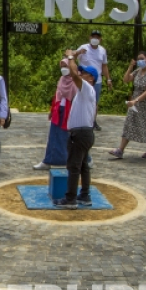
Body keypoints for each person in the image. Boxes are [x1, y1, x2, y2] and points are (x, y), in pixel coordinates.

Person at [52, 51, 98, 209]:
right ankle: (84, 195)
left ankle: (70, 199)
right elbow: (73, 73)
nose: (80, 73)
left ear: (91, 78)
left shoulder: (86, 88)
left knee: (73, 166)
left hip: (80, 134)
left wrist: (71, 56)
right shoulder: (84, 92)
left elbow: (73, 73)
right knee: (83, 166)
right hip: (85, 133)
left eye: (84, 73)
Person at [108, 52, 146, 159]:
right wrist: (130, 66)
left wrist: (136, 100)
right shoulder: (137, 71)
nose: (140, 61)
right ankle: (120, 150)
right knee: (129, 122)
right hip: (135, 102)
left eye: (142, 58)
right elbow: (126, 79)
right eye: (138, 59)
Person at [33, 58, 78, 170]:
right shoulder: (61, 79)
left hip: (69, 112)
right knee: (53, 136)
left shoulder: (75, 82)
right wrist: (52, 110)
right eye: (62, 66)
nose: (63, 69)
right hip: (58, 111)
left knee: (68, 138)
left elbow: (76, 99)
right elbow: (57, 96)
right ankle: (48, 160)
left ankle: (71, 161)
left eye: (66, 66)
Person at [74, 30, 112, 130]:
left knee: (94, 101)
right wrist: (78, 52)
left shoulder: (102, 50)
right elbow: (71, 57)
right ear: (90, 37)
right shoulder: (83, 47)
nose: (95, 39)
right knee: (81, 99)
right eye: (93, 37)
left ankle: (93, 121)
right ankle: (81, 119)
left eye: (97, 37)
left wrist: (108, 79)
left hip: (97, 80)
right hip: (83, 79)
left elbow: (104, 66)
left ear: (100, 39)